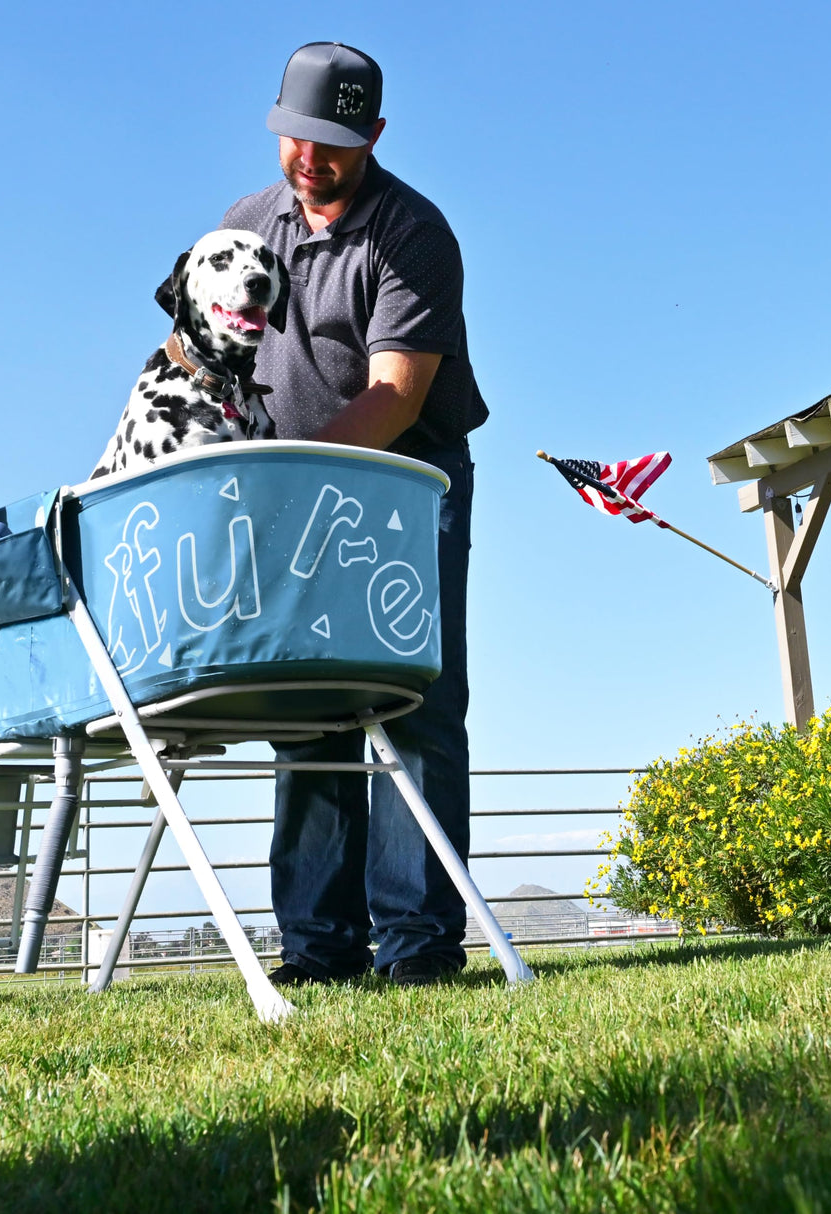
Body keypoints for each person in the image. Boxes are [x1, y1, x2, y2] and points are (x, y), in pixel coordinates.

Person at [222, 42, 488, 987]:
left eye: (333, 143)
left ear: (374, 135)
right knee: (308, 710)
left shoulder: (413, 233)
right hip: (287, 494)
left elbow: (395, 397)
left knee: (414, 701)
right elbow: (198, 351)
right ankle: (318, 950)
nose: (311, 161)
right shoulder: (249, 224)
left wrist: (297, 474)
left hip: (406, 485)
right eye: (297, 138)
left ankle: (417, 947)